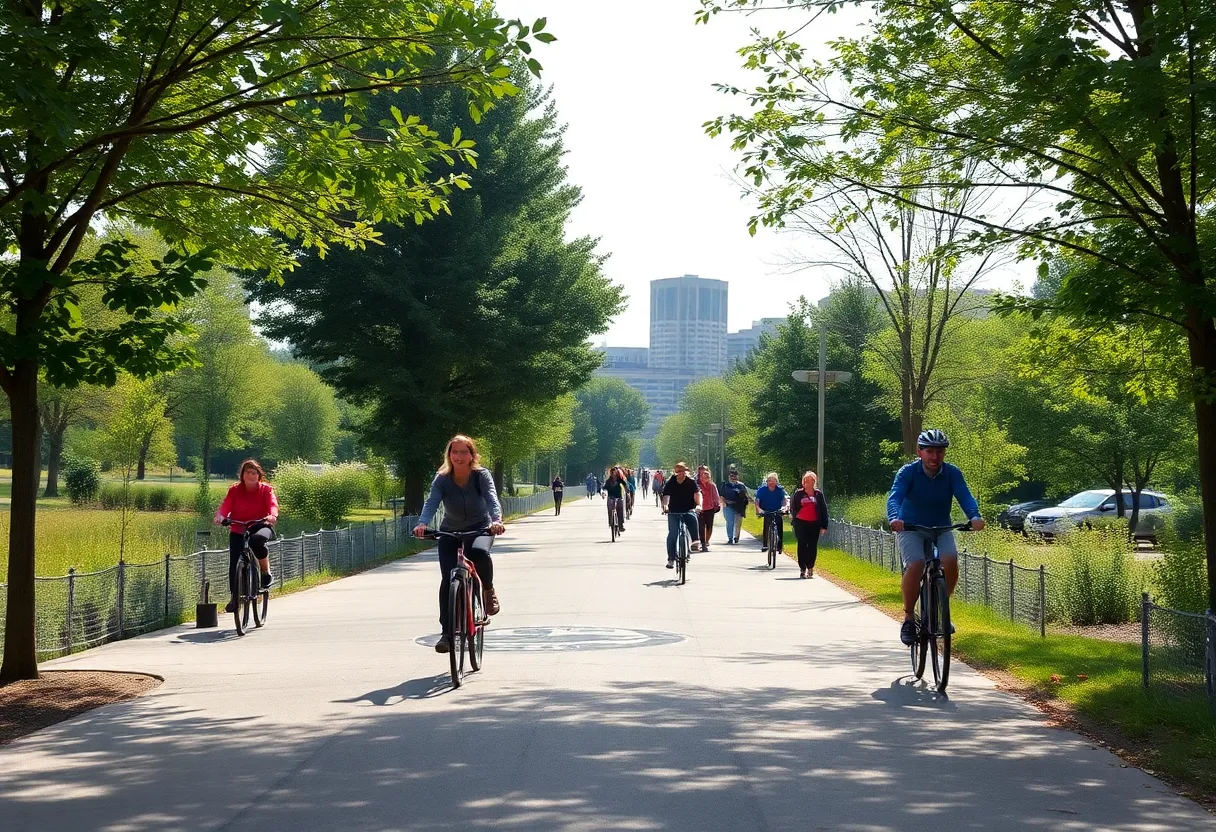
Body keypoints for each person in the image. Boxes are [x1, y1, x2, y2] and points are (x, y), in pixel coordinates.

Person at [887, 428, 985, 646]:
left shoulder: (952, 473)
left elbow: (965, 496)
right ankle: (909, 618)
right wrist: (894, 518)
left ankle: (941, 607)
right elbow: (895, 497)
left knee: (950, 559)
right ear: (919, 452)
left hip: (941, 526)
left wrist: (975, 516)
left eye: (939, 452)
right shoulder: (908, 472)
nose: (935, 456)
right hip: (911, 527)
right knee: (916, 564)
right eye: (930, 451)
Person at [414, 435, 506, 654]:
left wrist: (496, 521)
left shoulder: (480, 476)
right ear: (449, 455)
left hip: (480, 528)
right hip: (450, 530)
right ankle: (446, 633)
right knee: (447, 579)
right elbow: (432, 501)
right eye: (454, 452)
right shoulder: (442, 478)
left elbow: (492, 498)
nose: (458, 456)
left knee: (478, 552)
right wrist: (422, 523)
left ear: (472, 455)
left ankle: (488, 589)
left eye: (464, 452)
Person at [215, 459, 278, 613]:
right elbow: (226, 505)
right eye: (247, 472)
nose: (251, 475)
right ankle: (235, 599)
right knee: (234, 563)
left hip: (260, 525)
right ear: (242, 475)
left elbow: (272, 505)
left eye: (254, 472)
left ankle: (266, 572)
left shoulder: (266, 490)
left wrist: (272, 516)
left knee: (257, 541)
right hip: (238, 527)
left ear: (259, 475)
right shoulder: (234, 490)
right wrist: (220, 516)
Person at [661, 461, 701, 568]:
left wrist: (698, 505)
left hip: (688, 509)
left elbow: (697, 494)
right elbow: (665, 496)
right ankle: (671, 558)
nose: (680, 473)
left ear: (685, 471)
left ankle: (695, 542)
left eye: (682, 471)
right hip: (673, 511)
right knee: (672, 534)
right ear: (675, 472)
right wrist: (665, 506)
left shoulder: (691, 482)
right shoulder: (671, 481)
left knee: (693, 518)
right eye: (678, 471)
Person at [790, 471, 830, 578]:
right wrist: (793, 521)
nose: (808, 482)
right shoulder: (798, 493)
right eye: (806, 480)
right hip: (800, 522)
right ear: (803, 482)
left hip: (814, 523)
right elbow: (793, 508)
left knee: (812, 545)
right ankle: (802, 568)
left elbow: (823, 510)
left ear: (814, 481)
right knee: (802, 544)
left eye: (810, 480)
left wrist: (824, 525)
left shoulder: (818, 494)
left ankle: (810, 567)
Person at [754, 472, 789, 555]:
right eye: (769, 480)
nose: (771, 482)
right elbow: (757, 501)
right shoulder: (762, 490)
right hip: (766, 510)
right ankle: (765, 545)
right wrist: (759, 510)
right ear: (767, 482)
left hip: (777, 510)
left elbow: (784, 500)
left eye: (773, 480)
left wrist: (784, 508)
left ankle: (779, 546)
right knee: (766, 525)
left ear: (776, 482)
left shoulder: (780, 490)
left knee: (779, 524)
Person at [719, 467, 749, 544]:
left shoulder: (741, 485)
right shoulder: (725, 484)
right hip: (728, 506)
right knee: (730, 522)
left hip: (739, 506)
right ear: (729, 476)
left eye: (735, 475)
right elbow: (721, 496)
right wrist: (726, 501)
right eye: (731, 475)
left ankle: (736, 537)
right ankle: (730, 538)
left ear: (737, 476)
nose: (733, 477)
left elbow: (746, 495)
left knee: (738, 523)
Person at [696, 466, 721, 551]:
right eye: (703, 475)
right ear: (700, 475)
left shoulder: (712, 485)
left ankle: (706, 541)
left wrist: (717, 504)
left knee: (709, 526)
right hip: (700, 508)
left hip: (710, 508)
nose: (705, 478)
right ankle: (703, 543)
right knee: (701, 526)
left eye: (707, 476)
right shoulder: (696, 484)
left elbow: (716, 496)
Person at [604, 466, 627, 532]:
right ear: (611, 473)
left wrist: (627, 490)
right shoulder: (608, 481)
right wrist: (603, 493)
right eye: (613, 472)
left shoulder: (619, 479)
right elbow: (604, 488)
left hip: (619, 497)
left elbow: (624, 484)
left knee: (620, 510)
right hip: (611, 498)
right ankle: (611, 523)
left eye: (615, 472)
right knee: (610, 509)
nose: (614, 474)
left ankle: (621, 525)